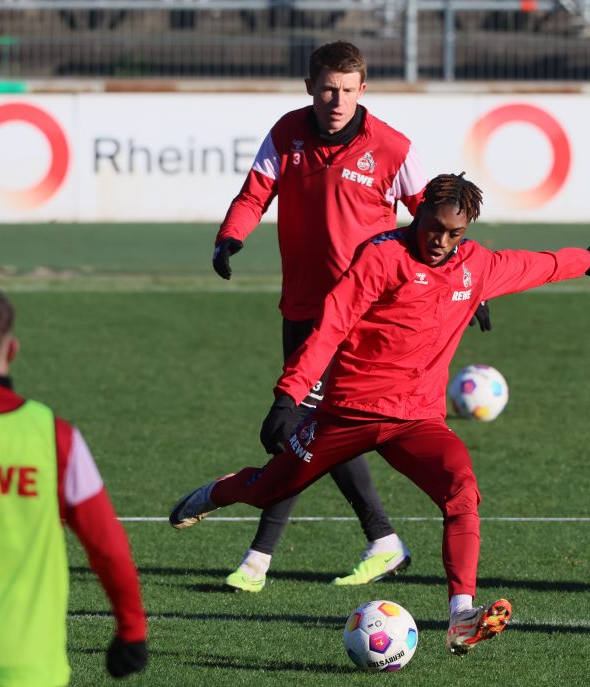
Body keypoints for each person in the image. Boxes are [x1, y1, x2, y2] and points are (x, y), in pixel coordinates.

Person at [171, 173, 590, 655]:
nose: (441, 241)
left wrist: (585, 260)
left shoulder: (474, 265)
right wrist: (288, 398)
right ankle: (216, 492)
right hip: (348, 414)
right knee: (267, 490)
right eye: (434, 227)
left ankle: (462, 615)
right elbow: (330, 326)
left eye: (454, 233)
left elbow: (533, 266)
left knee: (462, 491)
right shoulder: (382, 256)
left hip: (418, 421)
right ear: (417, 211)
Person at [210, 40, 481, 593]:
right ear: (310, 87)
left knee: (307, 430)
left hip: (365, 316)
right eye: (329, 89)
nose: (337, 100)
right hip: (304, 308)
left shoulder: (391, 147)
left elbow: (437, 218)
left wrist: (472, 285)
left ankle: (259, 560)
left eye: (349, 90)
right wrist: (231, 236)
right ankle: (381, 541)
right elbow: (255, 191)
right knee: (313, 433)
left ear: (364, 90)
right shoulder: (286, 133)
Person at [0, 284, 148, 685]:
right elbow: (107, 545)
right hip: (28, 667)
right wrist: (131, 630)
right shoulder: (55, 437)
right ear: (13, 349)